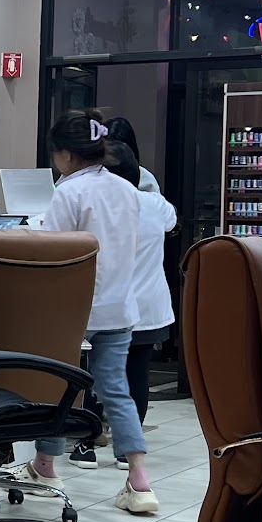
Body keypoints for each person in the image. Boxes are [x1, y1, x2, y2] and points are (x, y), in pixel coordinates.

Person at [24, 109, 158, 514]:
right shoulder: (126, 189)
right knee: (116, 390)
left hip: (74, 309)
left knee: (54, 387)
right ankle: (139, 481)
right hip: (119, 307)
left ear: (65, 155)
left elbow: (55, 252)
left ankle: (46, 466)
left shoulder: (69, 192)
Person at [108, 142, 178, 443]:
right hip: (147, 306)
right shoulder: (155, 204)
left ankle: (89, 440)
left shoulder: (97, 205)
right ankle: (129, 444)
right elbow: (171, 221)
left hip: (109, 307)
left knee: (100, 373)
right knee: (137, 373)